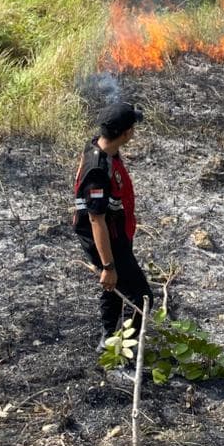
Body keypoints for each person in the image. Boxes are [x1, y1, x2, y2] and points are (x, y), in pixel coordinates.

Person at [72, 101, 154, 346]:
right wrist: (108, 265)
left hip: (116, 234)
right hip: (106, 240)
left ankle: (108, 340)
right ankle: (121, 353)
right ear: (126, 133)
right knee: (141, 299)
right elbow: (96, 220)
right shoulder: (97, 171)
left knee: (115, 288)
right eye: (132, 127)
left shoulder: (103, 146)